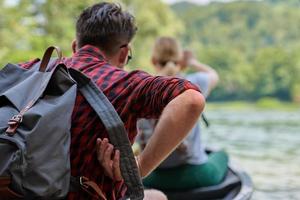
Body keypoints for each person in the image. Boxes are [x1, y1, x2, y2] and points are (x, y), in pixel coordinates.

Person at [19, 3, 205, 200]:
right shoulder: (126, 84)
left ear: (75, 46)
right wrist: (140, 166)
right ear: (124, 53)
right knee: (158, 197)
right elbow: (191, 100)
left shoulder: (32, 71)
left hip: (18, 191)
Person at [137, 37, 228, 190]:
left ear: (153, 60)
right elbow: (214, 75)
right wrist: (192, 62)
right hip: (193, 175)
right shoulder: (194, 82)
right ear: (180, 60)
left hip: (152, 179)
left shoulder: (139, 88)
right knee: (223, 155)